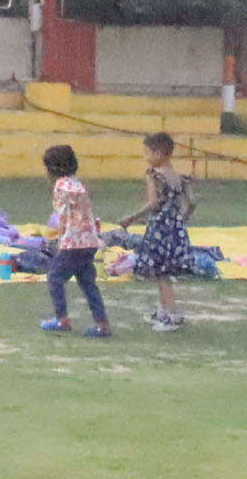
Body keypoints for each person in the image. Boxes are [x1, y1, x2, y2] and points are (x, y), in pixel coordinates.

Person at [120, 131, 195, 331]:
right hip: (175, 229)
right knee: (164, 272)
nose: (146, 157)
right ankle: (163, 310)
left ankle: (171, 315)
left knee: (162, 275)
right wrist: (182, 218)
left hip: (159, 229)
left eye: (147, 153)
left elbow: (153, 203)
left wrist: (131, 218)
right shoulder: (180, 177)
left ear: (158, 153)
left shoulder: (153, 175)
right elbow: (192, 202)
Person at [40, 143, 111, 336]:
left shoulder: (61, 186)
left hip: (72, 243)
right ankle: (102, 323)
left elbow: (62, 213)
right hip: (90, 241)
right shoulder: (78, 184)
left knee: (55, 278)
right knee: (88, 283)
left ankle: (61, 319)